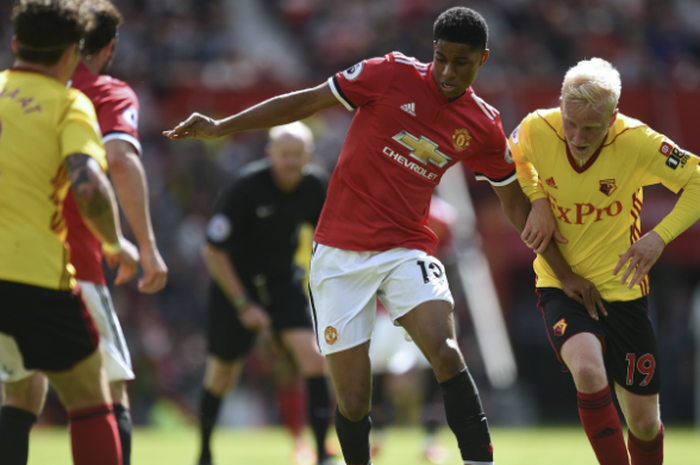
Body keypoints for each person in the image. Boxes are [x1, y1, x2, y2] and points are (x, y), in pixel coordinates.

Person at [165, 7, 557, 465]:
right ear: (433, 50)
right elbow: (309, 101)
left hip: (406, 247)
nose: (448, 72)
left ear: (483, 60)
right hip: (338, 255)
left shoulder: (483, 126)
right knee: (353, 399)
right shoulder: (388, 73)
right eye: (442, 58)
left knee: (446, 353)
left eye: (462, 62)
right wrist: (222, 126)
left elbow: (514, 201)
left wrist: (560, 268)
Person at [0, 1, 168, 464]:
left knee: (17, 392)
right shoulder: (70, 102)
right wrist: (118, 244)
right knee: (96, 397)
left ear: (16, 45)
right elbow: (91, 182)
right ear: (71, 54)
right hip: (41, 273)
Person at [509, 57, 700, 465]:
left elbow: (698, 178)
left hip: (625, 293)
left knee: (645, 424)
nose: (577, 137)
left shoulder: (637, 141)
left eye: (591, 128)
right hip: (561, 287)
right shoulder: (535, 127)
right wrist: (538, 198)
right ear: (559, 104)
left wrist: (659, 237)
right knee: (590, 373)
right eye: (570, 122)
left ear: (612, 117)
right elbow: (515, 158)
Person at [195, 122, 332, 465]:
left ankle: (322, 452)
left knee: (313, 359)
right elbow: (213, 251)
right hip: (235, 285)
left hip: (281, 281)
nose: (290, 162)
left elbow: (328, 237)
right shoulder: (245, 187)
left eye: (297, 155)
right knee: (222, 373)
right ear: (270, 154)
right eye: (284, 154)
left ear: (308, 155)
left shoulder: (314, 186)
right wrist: (243, 304)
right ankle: (205, 451)